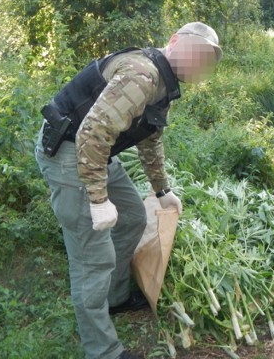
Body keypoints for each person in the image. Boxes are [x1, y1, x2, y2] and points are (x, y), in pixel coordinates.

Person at [35, 22, 222, 359]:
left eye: (206, 59)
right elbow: (92, 133)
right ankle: (102, 350)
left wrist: (162, 189)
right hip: (70, 152)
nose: (198, 63)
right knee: (93, 258)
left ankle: (115, 297)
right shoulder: (143, 74)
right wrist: (97, 198)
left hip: (95, 152)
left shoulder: (163, 82)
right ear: (175, 41)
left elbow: (150, 137)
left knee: (134, 217)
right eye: (195, 52)